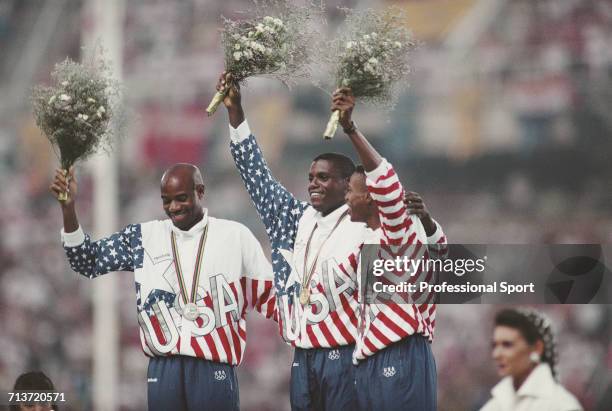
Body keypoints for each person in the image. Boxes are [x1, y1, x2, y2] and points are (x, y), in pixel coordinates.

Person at [49, 163, 275, 411]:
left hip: (214, 367)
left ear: (200, 191)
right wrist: (68, 209)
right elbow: (86, 261)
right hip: (163, 368)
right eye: (166, 200)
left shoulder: (235, 236)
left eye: (181, 198)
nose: (173, 207)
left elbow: (271, 297)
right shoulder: (144, 237)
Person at [218, 72, 366, 411]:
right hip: (300, 355)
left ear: (348, 185)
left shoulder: (362, 226)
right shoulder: (293, 218)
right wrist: (235, 113)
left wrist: (351, 127)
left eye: (324, 178)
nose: (313, 184)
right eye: (311, 177)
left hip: (344, 355)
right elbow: (255, 173)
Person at [332, 88, 447, 411]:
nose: (346, 198)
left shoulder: (395, 229)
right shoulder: (365, 243)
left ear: (370, 196)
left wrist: (350, 129)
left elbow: (385, 179)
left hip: (400, 350)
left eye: (350, 192)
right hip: (369, 358)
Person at [480, 308, 583, 411]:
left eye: (507, 345)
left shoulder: (562, 405)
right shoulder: (495, 404)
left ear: (537, 348)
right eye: (494, 345)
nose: (496, 354)